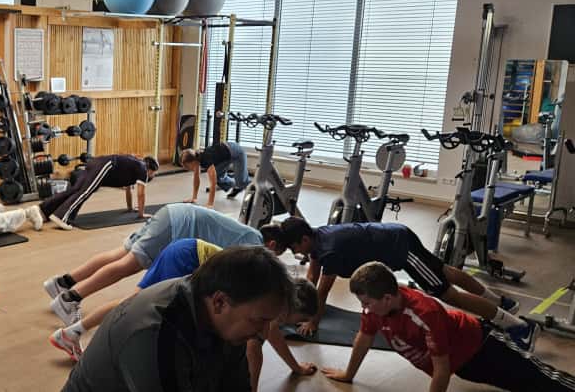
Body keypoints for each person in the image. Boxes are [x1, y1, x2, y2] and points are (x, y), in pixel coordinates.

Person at [51, 239, 320, 390]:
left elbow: (236, 385)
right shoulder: (155, 334)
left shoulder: (231, 320)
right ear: (219, 302)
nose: (263, 333)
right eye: (260, 321)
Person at [267, 217, 540, 350]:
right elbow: (311, 279)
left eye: (294, 248)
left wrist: (313, 321)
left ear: (304, 240)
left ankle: (518, 326)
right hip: (396, 234)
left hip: (400, 248)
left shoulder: (330, 251)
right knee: (444, 271)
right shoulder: (318, 238)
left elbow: (322, 290)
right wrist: (291, 305)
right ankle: (502, 303)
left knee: (447, 294)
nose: (296, 253)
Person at [323, 262, 575, 392]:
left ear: (387, 298)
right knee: (522, 387)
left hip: (484, 346)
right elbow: (364, 338)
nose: (363, 308)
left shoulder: (424, 313)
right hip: (464, 365)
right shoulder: (375, 310)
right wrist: (349, 374)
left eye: (366, 302)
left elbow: (441, 370)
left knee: (541, 381)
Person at [44, 203, 263, 325]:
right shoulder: (256, 247)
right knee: (128, 265)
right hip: (179, 223)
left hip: (174, 213)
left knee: (121, 255)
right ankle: (70, 299)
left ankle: (62, 283)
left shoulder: (251, 236)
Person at [34, 154, 159, 230]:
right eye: (154, 173)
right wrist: (141, 214)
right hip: (104, 165)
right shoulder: (142, 169)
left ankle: (44, 210)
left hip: (96, 162)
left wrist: (130, 208)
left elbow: (128, 190)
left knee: (76, 190)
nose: (153, 176)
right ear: (150, 169)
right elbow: (141, 194)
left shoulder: (135, 167)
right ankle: (62, 217)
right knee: (85, 192)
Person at [181, 142, 249, 207]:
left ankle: (246, 185)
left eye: (187, 166)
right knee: (219, 179)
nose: (188, 168)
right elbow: (196, 178)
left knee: (241, 182)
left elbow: (213, 183)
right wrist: (194, 198)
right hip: (227, 154)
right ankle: (236, 186)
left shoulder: (206, 159)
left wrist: (210, 204)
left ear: (192, 161)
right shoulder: (197, 159)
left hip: (237, 152)